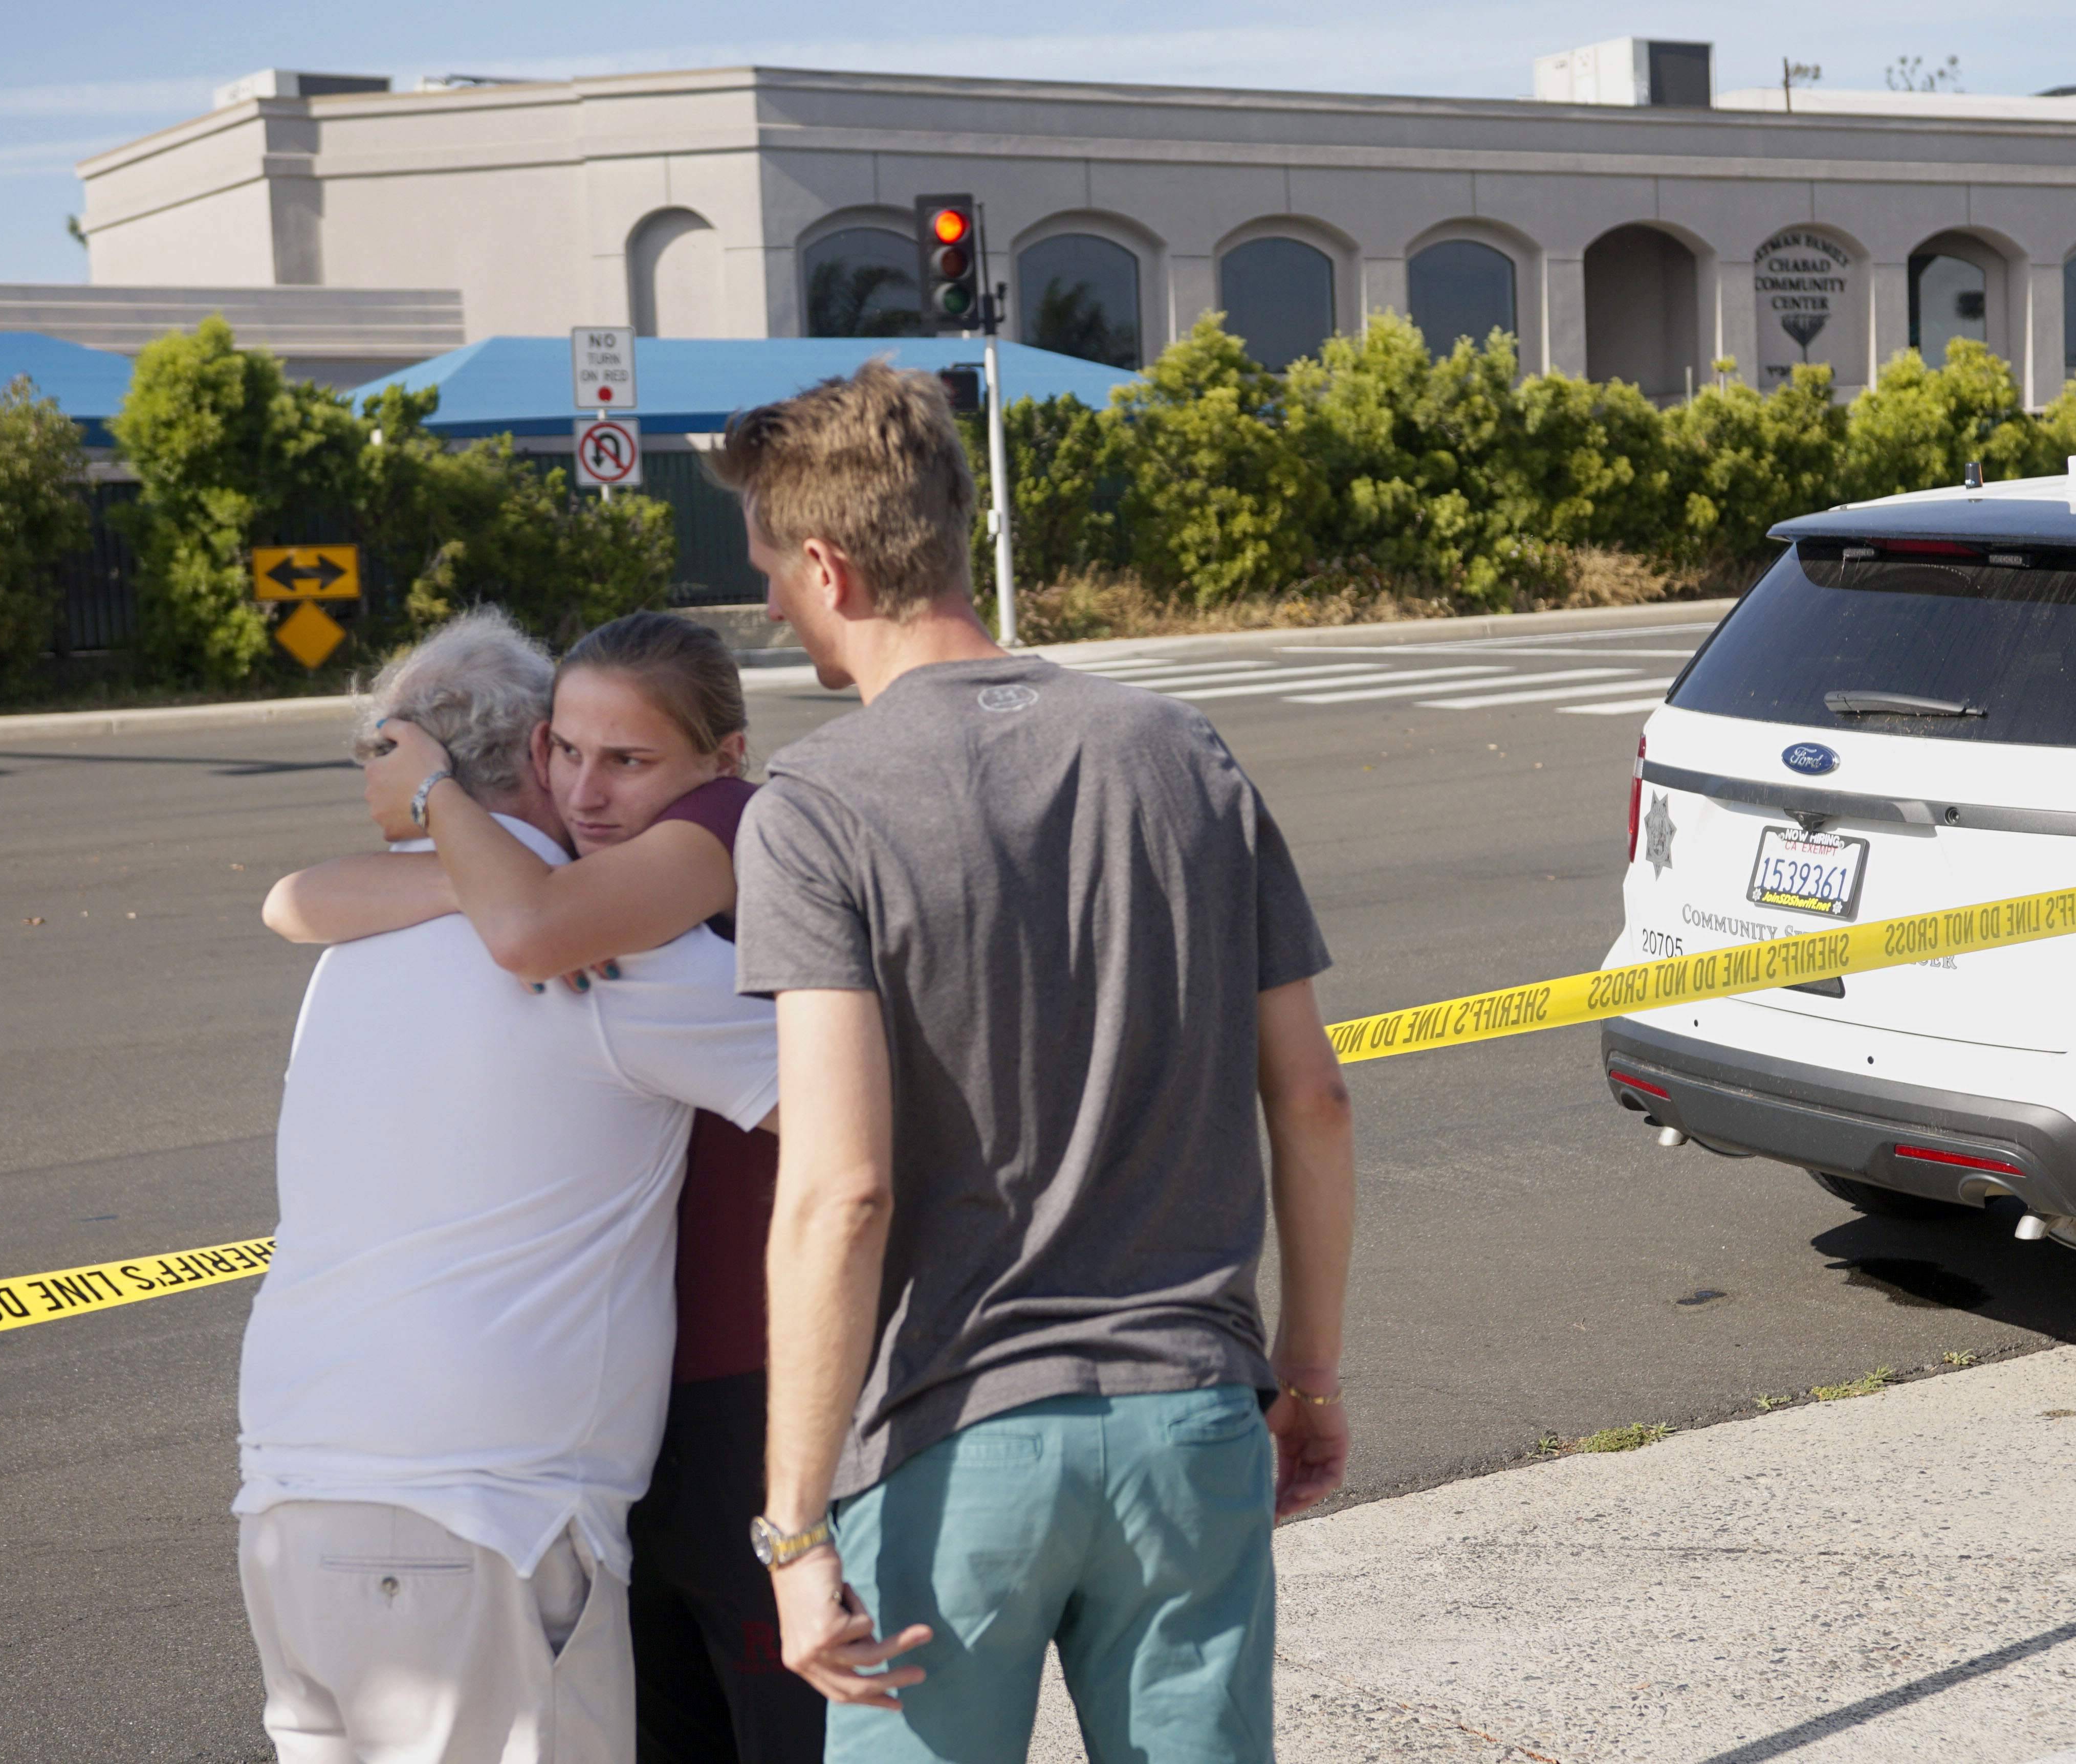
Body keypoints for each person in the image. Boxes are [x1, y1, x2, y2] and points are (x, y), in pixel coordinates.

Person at [718, 361, 1359, 1762]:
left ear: (828, 564)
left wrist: (793, 1529)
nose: (767, 601)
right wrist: (1303, 1380)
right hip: (1191, 1418)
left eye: (769, 566)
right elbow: (1311, 1097)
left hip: (954, 1449)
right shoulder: (1180, 753)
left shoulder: (816, 812)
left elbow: (841, 1195)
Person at [263, 611, 828, 1763]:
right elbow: (855, 1111)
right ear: (537, 749)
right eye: (573, 752)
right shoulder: (606, 943)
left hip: (288, 1492)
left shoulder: (352, 942)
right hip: (483, 1516)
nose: (588, 786)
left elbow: (294, 897)